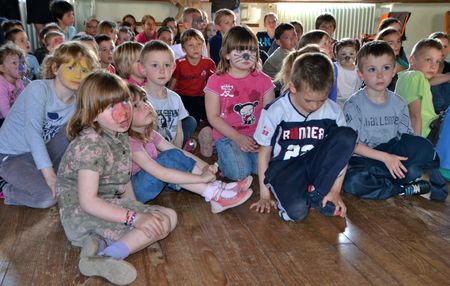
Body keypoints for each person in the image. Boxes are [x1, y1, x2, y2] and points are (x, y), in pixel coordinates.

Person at [56, 71, 177, 285]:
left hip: (108, 203)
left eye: (125, 101)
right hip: (82, 212)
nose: (124, 112)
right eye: (111, 106)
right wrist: (135, 218)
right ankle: (105, 257)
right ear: (92, 115)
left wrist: (135, 207)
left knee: (169, 217)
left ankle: (98, 246)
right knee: (156, 224)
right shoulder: (90, 144)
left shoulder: (118, 133)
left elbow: (123, 179)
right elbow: (88, 201)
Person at [251, 52, 356, 221]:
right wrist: (264, 195)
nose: (315, 106)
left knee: (347, 136)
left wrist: (335, 191)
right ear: (293, 87)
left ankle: (318, 193)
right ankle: (305, 197)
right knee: (297, 213)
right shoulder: (276, 111)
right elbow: (264, 153)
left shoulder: (334, 111)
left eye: (321, 100)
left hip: (314, 167)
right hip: (285, 171)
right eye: (309, 100)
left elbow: (342, 154)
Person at [0, 42, 98, 207]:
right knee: (47, 197)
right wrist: (50, 176)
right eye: (71, 68)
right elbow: (33, 134)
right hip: (11, 155)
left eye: (84, 70)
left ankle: (55, 175)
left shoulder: (79, 100)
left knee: (79, 131)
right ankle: (5, 188)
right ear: (55, 68)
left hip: (40, 151)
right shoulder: (38, 89)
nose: (78, 75)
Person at [128, 84, 253, 212]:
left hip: (153, 178)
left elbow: (177, 151)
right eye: (136, 106)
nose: (145, 105)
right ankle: (214, 195)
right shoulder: (129, 142)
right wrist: (200, 178)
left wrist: (204, 167)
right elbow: (161, 172)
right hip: (135, 191)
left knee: (172, 154)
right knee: (167, 159)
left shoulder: (150, 133)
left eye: (144, 100)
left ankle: (216, 187)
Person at [343, 40, 436, 200]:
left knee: (422, 148)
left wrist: (405, 153)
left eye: (386, 68)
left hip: (392, 153)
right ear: (361, 74)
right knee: (353, 182)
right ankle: (399, 188)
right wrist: (386, 158)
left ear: (394, 71)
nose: (380, 75)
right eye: (372, 69)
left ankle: (388, 181)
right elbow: (353, 146)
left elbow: (406, 138)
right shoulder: (353, 104)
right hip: (366, 159)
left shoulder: (399, 103)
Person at [205, 26, 275, 180]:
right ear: (227, 54)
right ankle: (219, 152)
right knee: (240, 173)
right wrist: (238, 138)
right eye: (240, 51)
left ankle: (242, 156)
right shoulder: (216, 80)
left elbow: (270, 115)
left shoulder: (264, 81)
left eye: (251, 51)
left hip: (256, 137)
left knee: (263, 170)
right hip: (227, 135)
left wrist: (263, 142)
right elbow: (213, 116)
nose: (246, 56)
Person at [140, 40, 196, 149]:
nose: (162, 70)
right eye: (155, 65)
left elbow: (179, 131)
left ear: (173, 68)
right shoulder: (139, 98)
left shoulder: (175, 98)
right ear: (143, 68)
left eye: (166, 65)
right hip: (149, 154)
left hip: (171, 149)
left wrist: (176, 152)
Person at [170, 28, 215, 123]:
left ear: (203, 46)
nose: (196, 48)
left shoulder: (208, 63)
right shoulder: (179, 63)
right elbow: (172, 84)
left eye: (199, 44)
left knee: (203, 114)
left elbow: (214, 82)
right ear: (183, 49)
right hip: (182, 96)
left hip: (200, 97)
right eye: (191, 45)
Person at [297, 30, 337, 102]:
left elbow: (332, 95)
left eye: (330, 43)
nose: (330, 46)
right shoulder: (301, 68)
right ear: (312, 49)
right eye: (325, 44)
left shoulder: (333, 67)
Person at [0, 42, 25, 125]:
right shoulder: (1, 86)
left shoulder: (19, 81)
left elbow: (25, 100)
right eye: (14, 63)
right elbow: (5, 112)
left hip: (14, 115)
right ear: (2, 68)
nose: (21, 67)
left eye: (22, 62)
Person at [334, 38, 362, 107]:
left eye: (351, 54)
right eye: (343, 54)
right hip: (336, 101)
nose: (347, 57)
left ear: (356, 54)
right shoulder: (334, 67)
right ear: (336, 55)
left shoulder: (358, 71)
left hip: (352, 102)